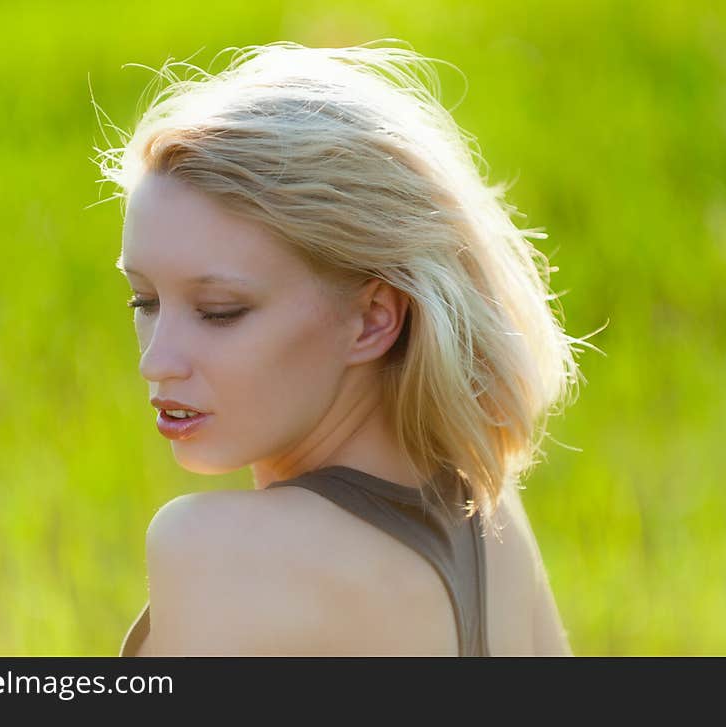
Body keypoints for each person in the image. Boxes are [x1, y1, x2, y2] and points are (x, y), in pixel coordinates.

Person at [97, 40, 594, 656]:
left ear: (372, 318)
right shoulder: (487, 513)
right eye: (144, 302)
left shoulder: (214, 552)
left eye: (220, 312)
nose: (156, 360)